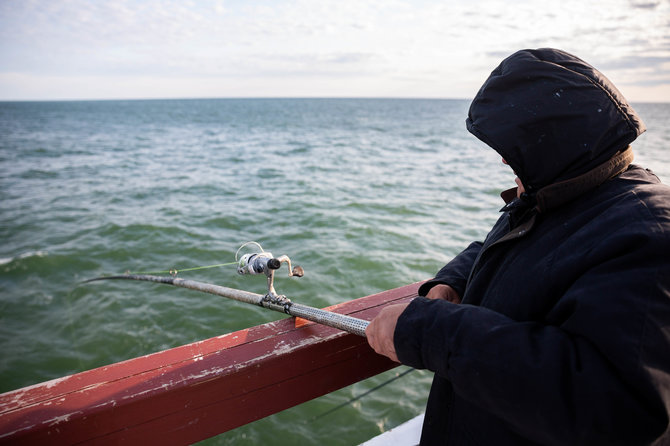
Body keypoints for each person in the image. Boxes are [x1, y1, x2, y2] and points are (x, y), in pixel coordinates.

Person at [366, 48, 670, 445]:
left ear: (555, 143)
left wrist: (432, 332)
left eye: (515, 147)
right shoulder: (569, 193)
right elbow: (512, 247)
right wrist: (455, 281)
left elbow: (616, 408)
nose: (506, 162)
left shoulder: (650, 236)